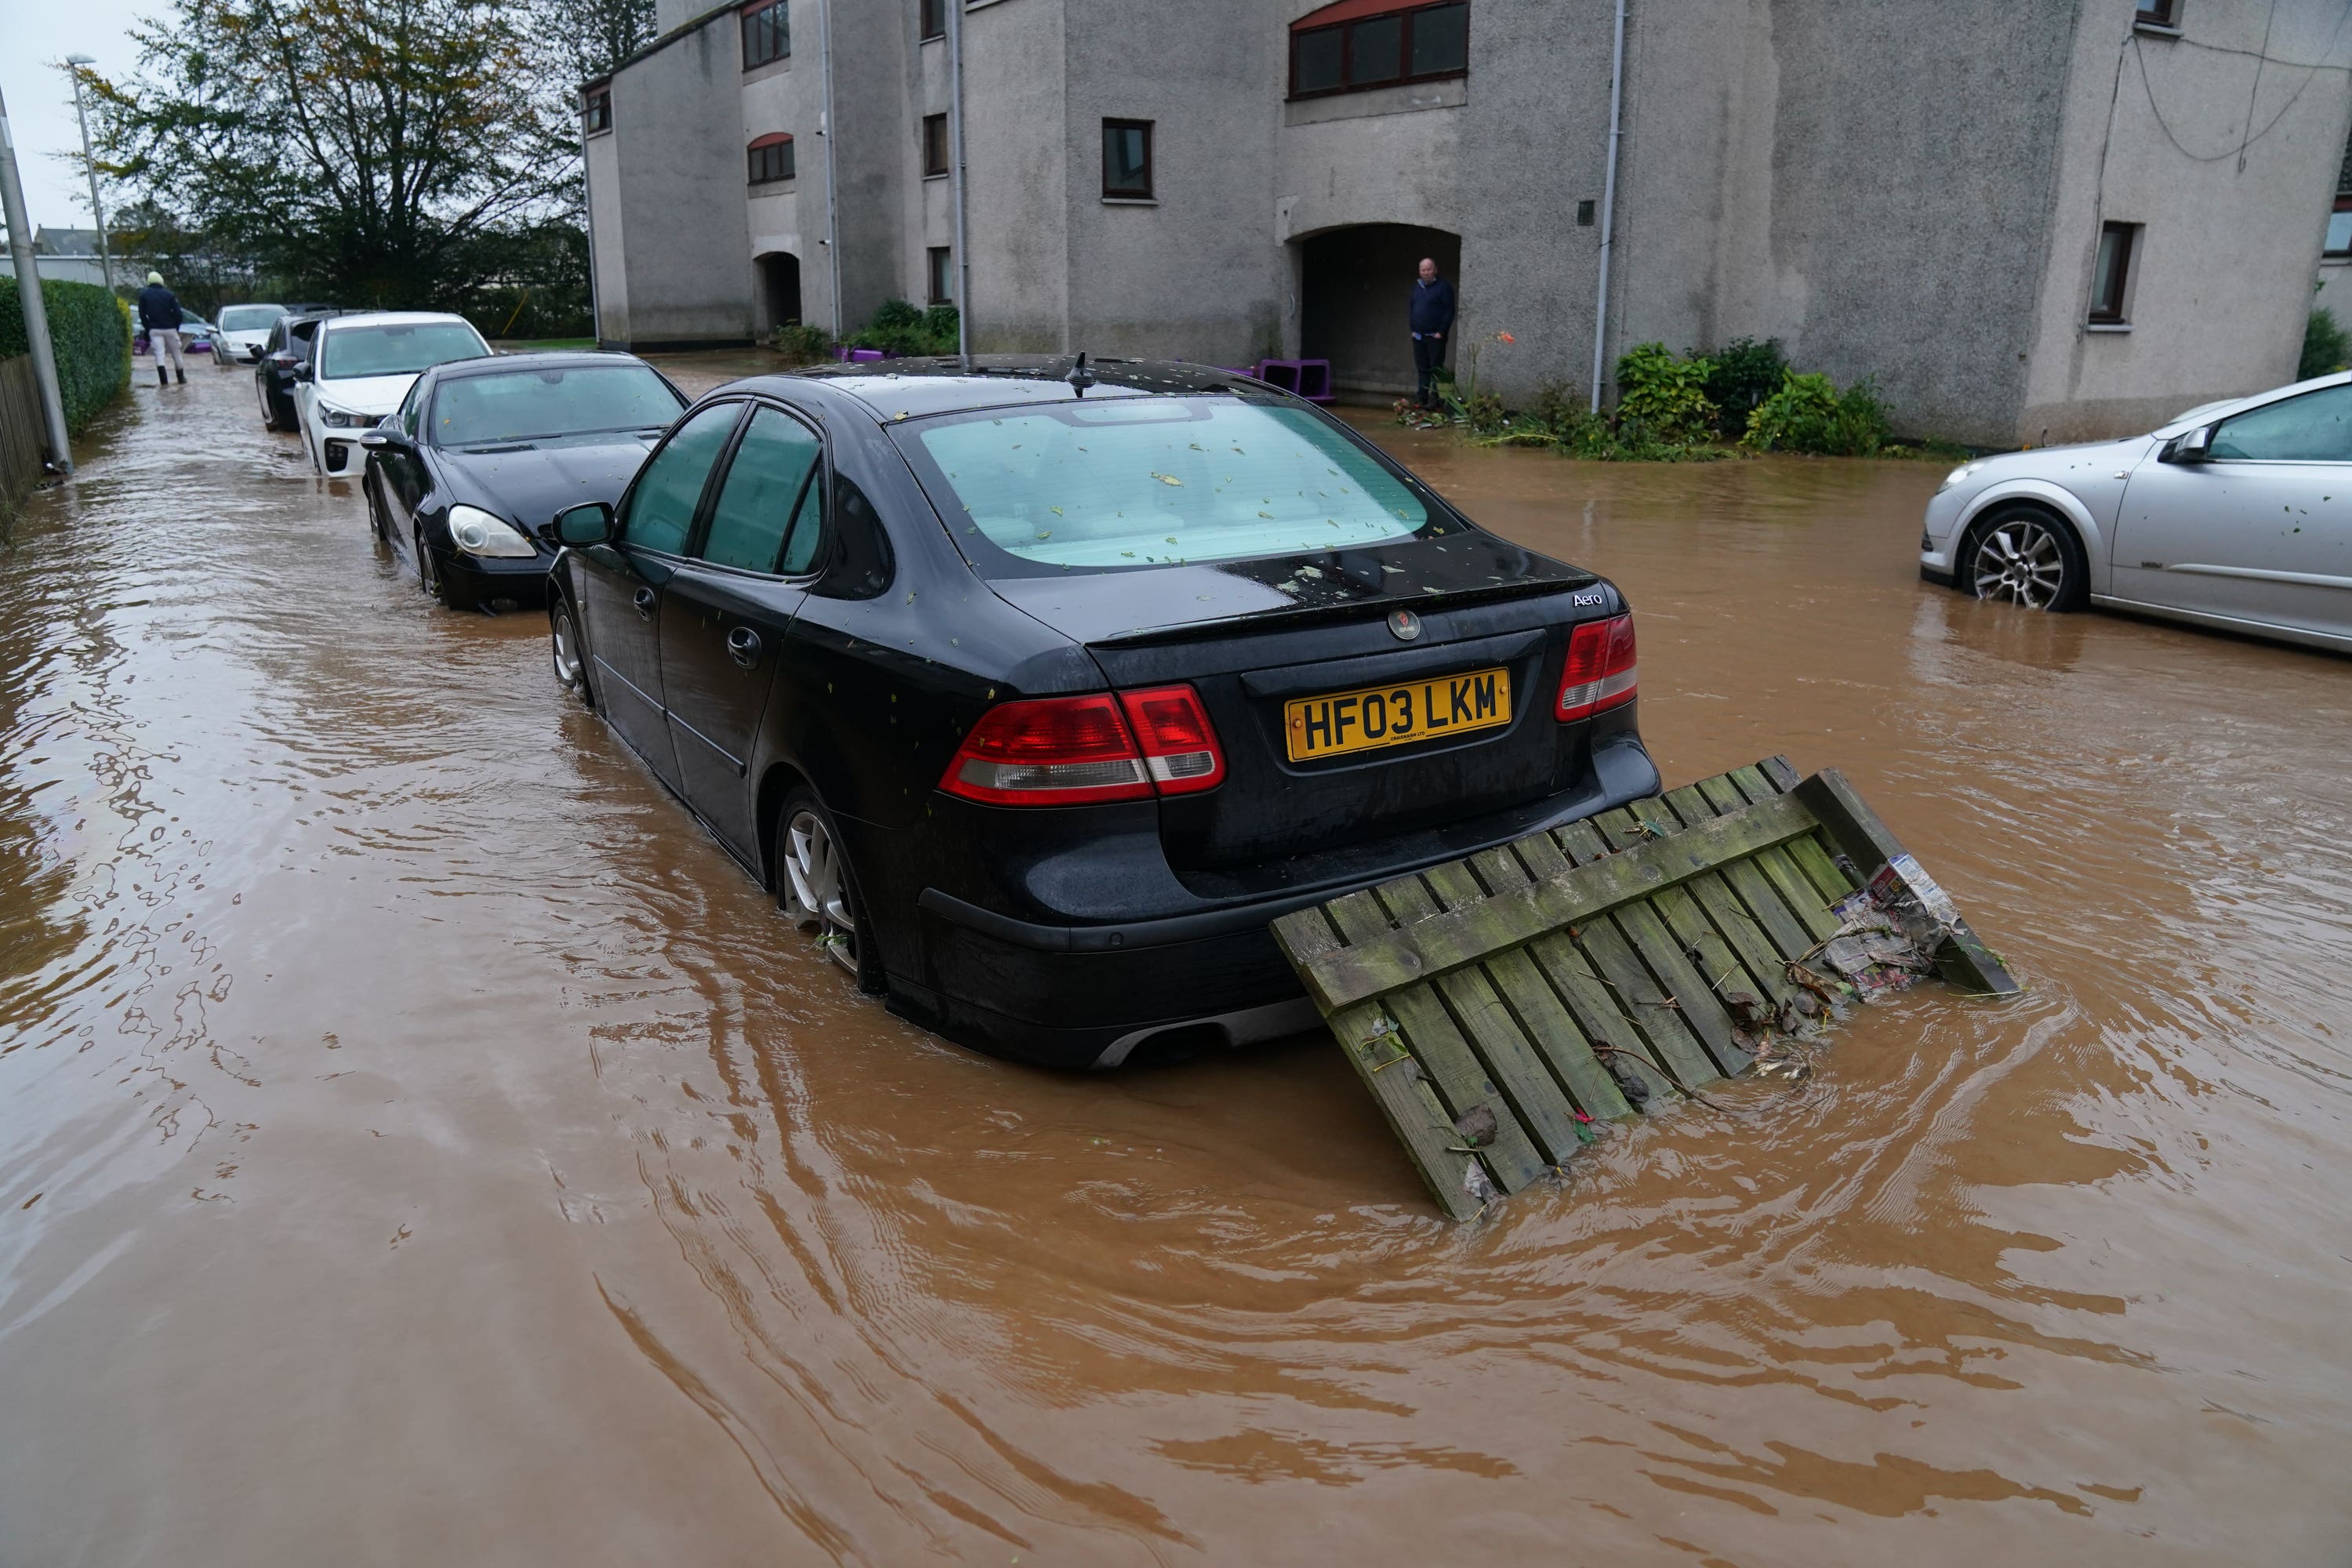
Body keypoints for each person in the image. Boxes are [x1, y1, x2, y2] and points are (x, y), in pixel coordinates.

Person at [1409, 257, 1456, 408]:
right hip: (1418, 336)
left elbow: (1449, 311)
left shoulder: (1444, 287)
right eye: (1423, 270)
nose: (1426, 272)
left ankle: (1434, 399)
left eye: (1429, 269)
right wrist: (1413, 330)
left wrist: (1441, 332)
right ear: (1420, 272)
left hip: (1435, 336)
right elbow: (1412, 308)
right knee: (1422, 368)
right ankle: (1421, 398)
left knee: (1435, 368)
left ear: (1435, 270)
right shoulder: (1417, 287)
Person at [137, 270, 186, 387]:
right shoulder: (169, 295)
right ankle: (181, 379)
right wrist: (176, 326)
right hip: (170, 329)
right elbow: (179, 314)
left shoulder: (144, 295)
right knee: (176, 354)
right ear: (161, 281)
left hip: (154, 330)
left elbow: (142, 315)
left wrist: (148, 328)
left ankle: (164, 383)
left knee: (159, 355)